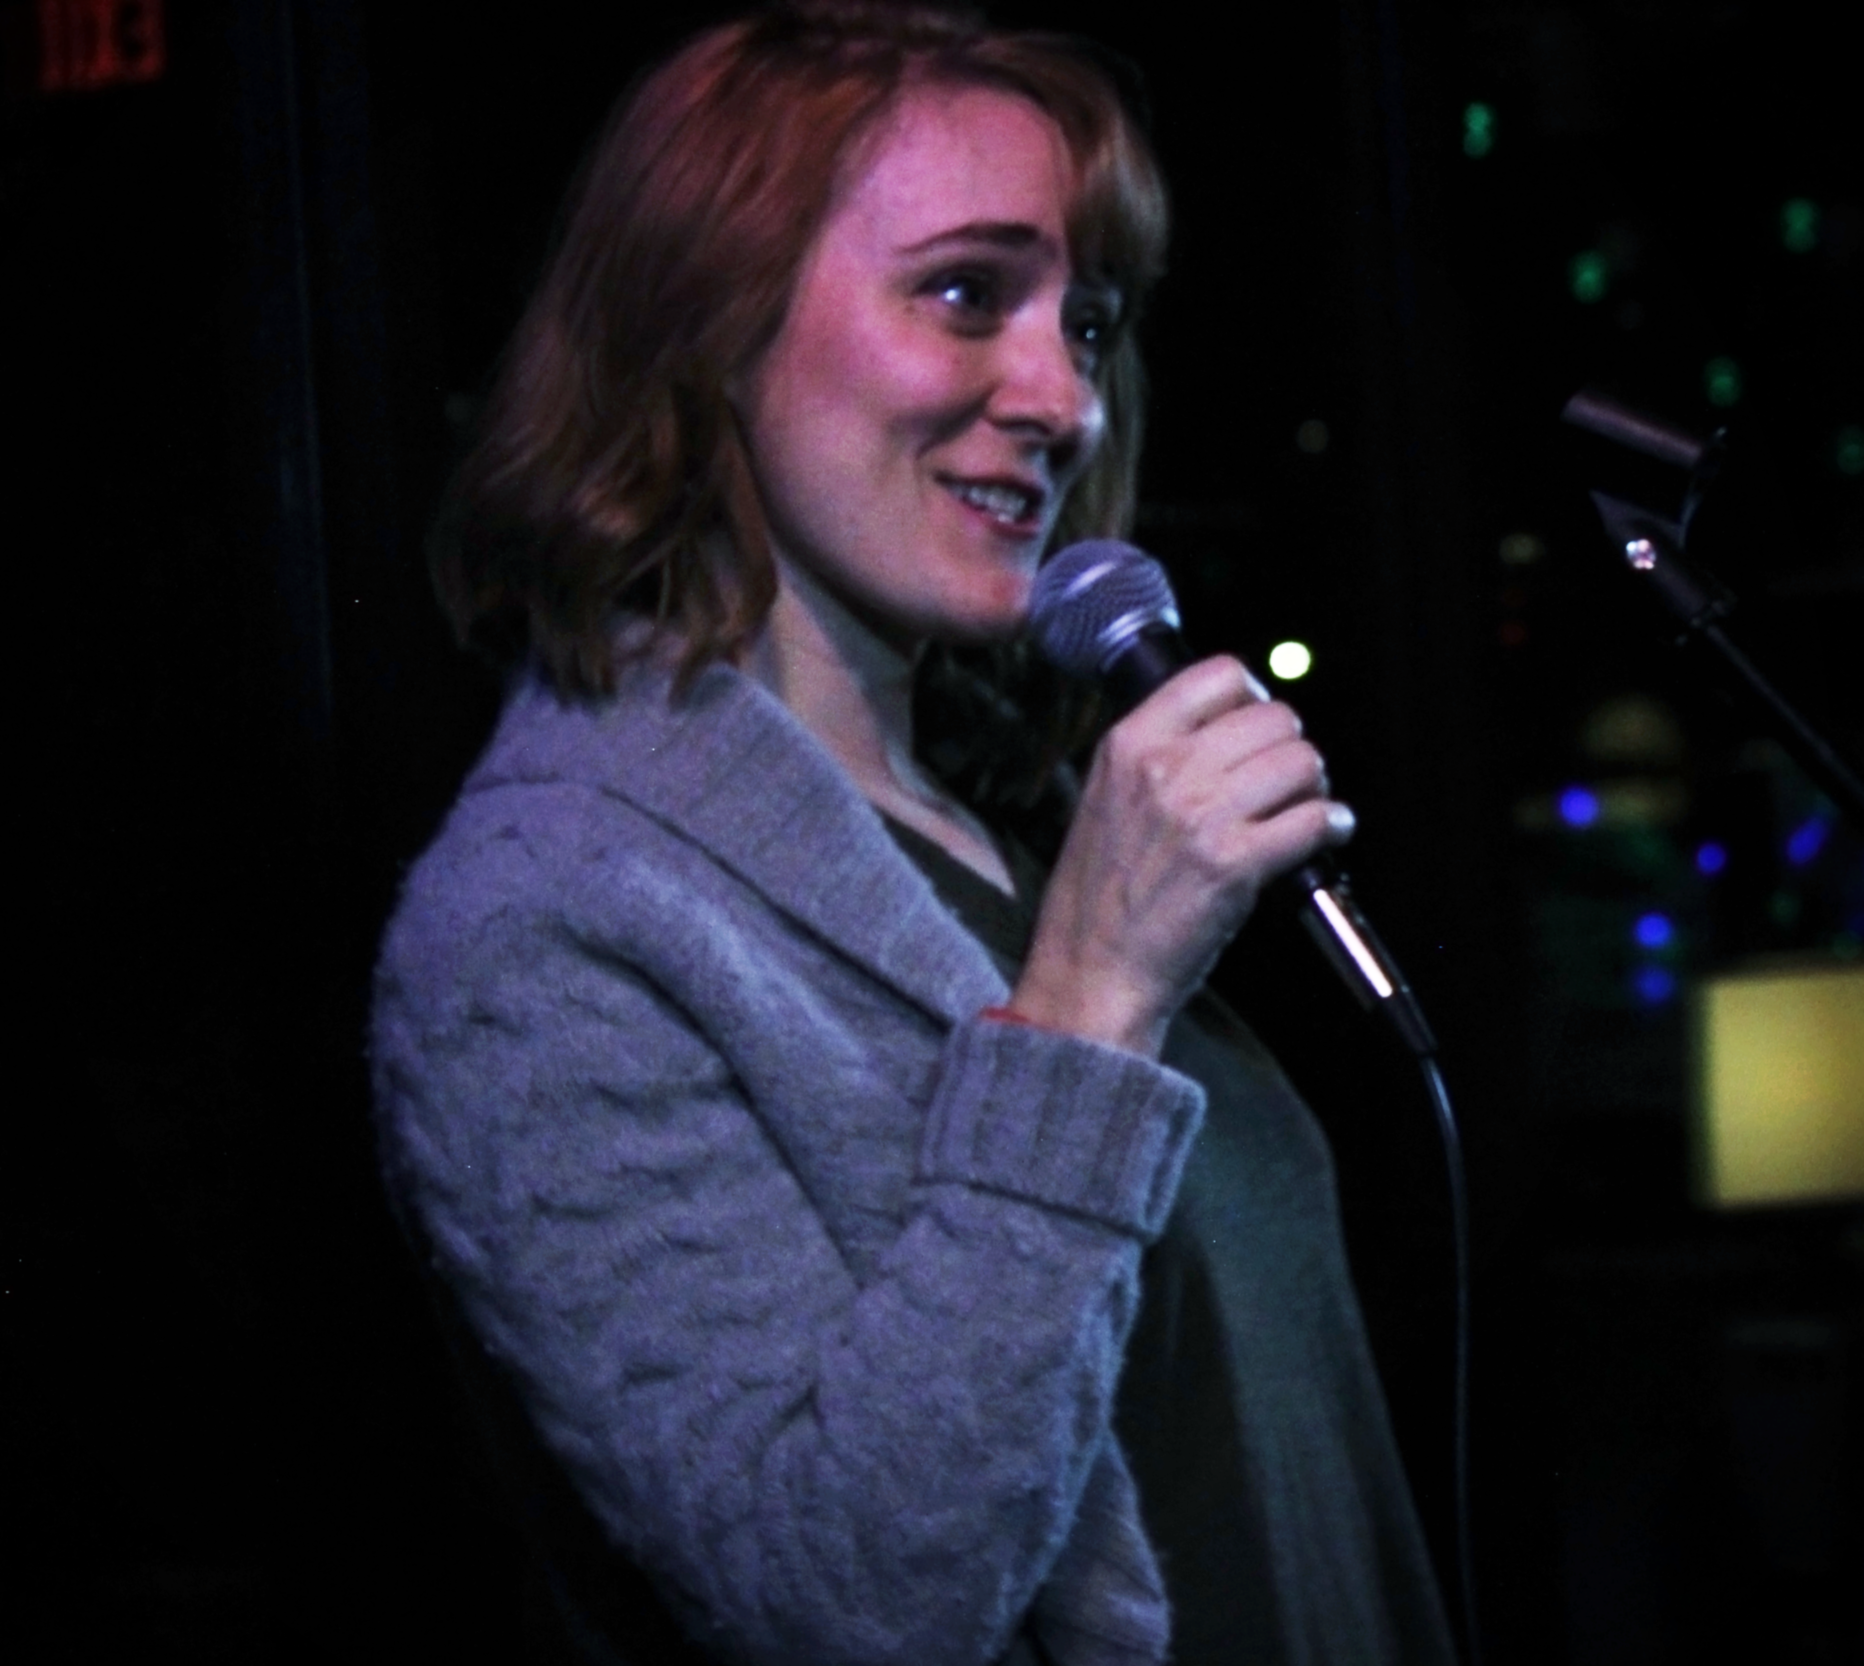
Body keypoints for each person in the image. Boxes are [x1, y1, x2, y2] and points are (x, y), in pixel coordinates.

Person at [369, 5, 1458, 1663]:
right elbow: (846, 1599)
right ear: (705, 323)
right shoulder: (541, 926)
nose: (1063, 398)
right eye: (964, 293)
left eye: (1085, 322)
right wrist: (1091, 998)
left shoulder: (1009, 818)